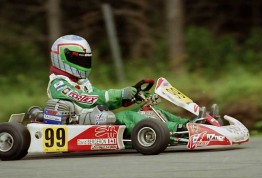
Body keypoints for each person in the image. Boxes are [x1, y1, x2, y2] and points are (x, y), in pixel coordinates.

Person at [47, 34, 190, 136]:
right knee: (129, 117)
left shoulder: (81, 81)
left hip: (98, 120)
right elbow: (87, 99)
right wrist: (119, 94)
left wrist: (127, 99)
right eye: (81, 61)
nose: (84, 65)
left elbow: (100, 99)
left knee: (146, 111)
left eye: (87, 61)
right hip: (82, 126)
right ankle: (179, 130)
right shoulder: (58, 83)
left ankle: (190, 124)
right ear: (64, 59)